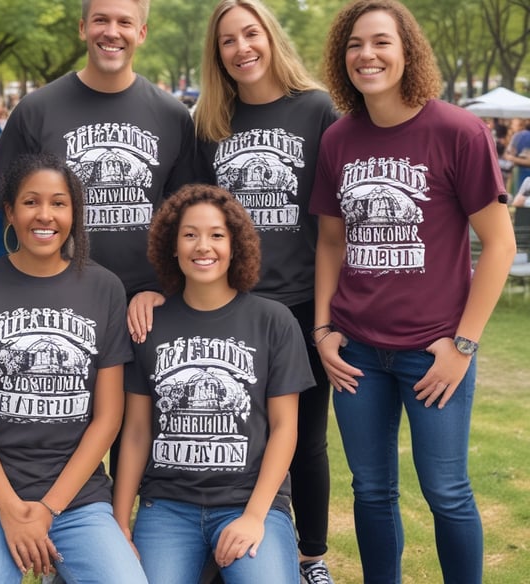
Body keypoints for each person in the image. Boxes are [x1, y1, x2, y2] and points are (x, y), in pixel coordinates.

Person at [309, 1, 516, 583]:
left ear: (407, 52)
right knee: (372, 491)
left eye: (380, 42)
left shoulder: (458, 131)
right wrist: (323, 331)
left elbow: (498, 246)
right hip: (357, 355)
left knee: (446, 490)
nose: (366, 55)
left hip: (435, 352)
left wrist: (462, 345)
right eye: (354, 44)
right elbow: (330, 242)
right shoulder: (339, 139)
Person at [0, 0, 196, 485]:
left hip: (145, 308)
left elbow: (185, 219)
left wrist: (165, 289)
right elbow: (4, 216)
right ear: (83, 28)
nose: (111, 32)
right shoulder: (37, 109)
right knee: (55, 435)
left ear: (141, 32)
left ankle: (127, 541)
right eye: (101, 20)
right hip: (56, 300)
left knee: (144, 441)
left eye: (124, 22)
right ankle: (50, 534)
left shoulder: (171, 115)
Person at [184, 2, 340, 581]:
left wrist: (326, 317)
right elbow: (194, 217)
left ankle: (310, 556)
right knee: (232, 428)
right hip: (232, 306)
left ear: (270, 38)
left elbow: (333, 226)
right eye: (228, 40)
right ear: (217, 53)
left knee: (304, 438)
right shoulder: (210, 123)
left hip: (300, 302)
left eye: (251, 34)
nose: (242, 47)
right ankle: (226, 536)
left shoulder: (317, 108)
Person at [0, 153, 147, 584]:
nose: (45, 215)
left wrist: (49, 508)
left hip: (77, 497)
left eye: (59, 203)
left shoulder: (104, 288)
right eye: (31, 202)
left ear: (74, 213)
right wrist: (11, 510)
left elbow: (108, 417)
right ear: (11, 213)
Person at [113, 184, 315, 584]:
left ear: (235, 243)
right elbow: (136, 432)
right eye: (189, 234)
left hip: (248, 501)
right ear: (172, 245)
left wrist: (256, 517)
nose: (202, 246)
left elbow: (285, 428)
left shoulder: (273, 321)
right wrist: (120, 523)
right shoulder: (149, 325)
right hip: (168, 506)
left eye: (216, 235)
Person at [505, 119, 530, 189]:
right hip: (519, 174)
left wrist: (512, 158)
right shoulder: (517, 136)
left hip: (520, 174)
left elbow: (508, 155)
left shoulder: (518, 136)